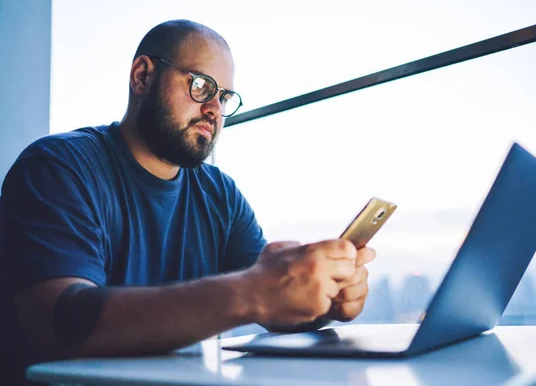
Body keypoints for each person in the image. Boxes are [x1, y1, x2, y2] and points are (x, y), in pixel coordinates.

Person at [0, 20, 375, 385]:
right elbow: (63, 324)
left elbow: (273, 302)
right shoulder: (59, 167)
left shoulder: (220, 195)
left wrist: (324, 297)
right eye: (201, 85)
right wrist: (252, 292)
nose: (214, 108)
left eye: (224, 97)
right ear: (142, 77)